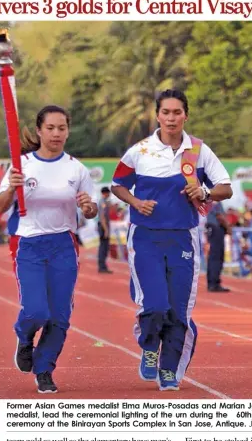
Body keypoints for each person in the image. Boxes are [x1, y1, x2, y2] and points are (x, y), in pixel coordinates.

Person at [111, 89, 232, 391]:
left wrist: (204, 192)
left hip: (183, 239)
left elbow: (225, 188)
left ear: (185, 115)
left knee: (179, 310)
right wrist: (136, 203)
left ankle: (169, 370)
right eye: (166, 112)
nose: (171, 118)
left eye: (177, 112)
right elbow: (117, 185)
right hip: (145, 238)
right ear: (158, 115)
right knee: (153, 304)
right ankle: (150, 346)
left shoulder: (199, 151)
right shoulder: (139, 151)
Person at [0, 105, 98, 394]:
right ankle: (24, 337)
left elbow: (90, 209)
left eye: (62, 128)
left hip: (63, 244)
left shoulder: (75, 168)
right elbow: (0, 205)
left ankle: (44, 370)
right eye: (50, 128)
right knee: (37, 311)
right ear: (39, 130)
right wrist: (10, 188)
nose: (56, 134)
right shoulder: (21, 165)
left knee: (60, 315)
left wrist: (89, 207)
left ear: (68, 131)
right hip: (29, 243)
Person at [205, 202, 230, 292]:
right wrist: (228, 227)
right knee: (217, 256)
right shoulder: (215, 198)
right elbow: (219, 216)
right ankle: (214, 283)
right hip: (216, 228)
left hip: (211, 228)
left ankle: (211, 282)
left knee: (213, 256)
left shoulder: (208, 197)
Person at [97, 187, 113, 274]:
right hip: (103, 226)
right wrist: (106, 229)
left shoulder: (105, 202)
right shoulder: (102, 202)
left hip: (104, 226)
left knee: (104, 247)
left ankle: (103, 266)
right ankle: (102, 266)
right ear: (105, 193)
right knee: (103, 247)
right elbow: (102, 217)